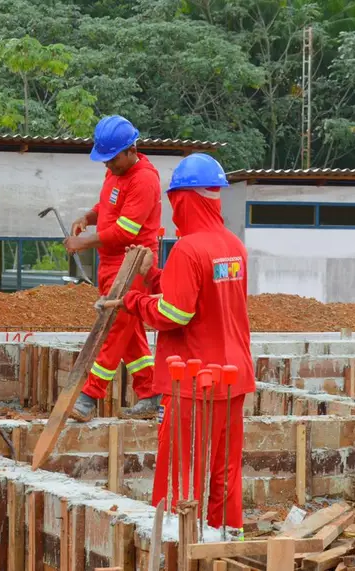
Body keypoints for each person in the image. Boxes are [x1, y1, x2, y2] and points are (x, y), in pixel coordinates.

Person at [98, 153, 254, 532]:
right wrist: (155, 278)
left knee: (178, 477)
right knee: (224, 474)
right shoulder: (231, 245)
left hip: (193, 381)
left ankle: (171, 549)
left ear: (181, 199)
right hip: (233, 377)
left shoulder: (188, 248)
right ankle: (226, 543)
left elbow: (175, 314)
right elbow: (200, 298)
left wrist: (132, 301)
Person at [64, 115, 162, 421]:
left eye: (112, 159)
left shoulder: (144, 179)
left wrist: (84, 242)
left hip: (133, 262)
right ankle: (150, 392)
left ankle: (89, 395)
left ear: (131, 150)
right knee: (129, 332)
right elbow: (106, 206)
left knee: (114, 328)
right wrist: (88, 217)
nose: (107, 165)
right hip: (111, 263)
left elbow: (125, 232)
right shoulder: (116, 172)